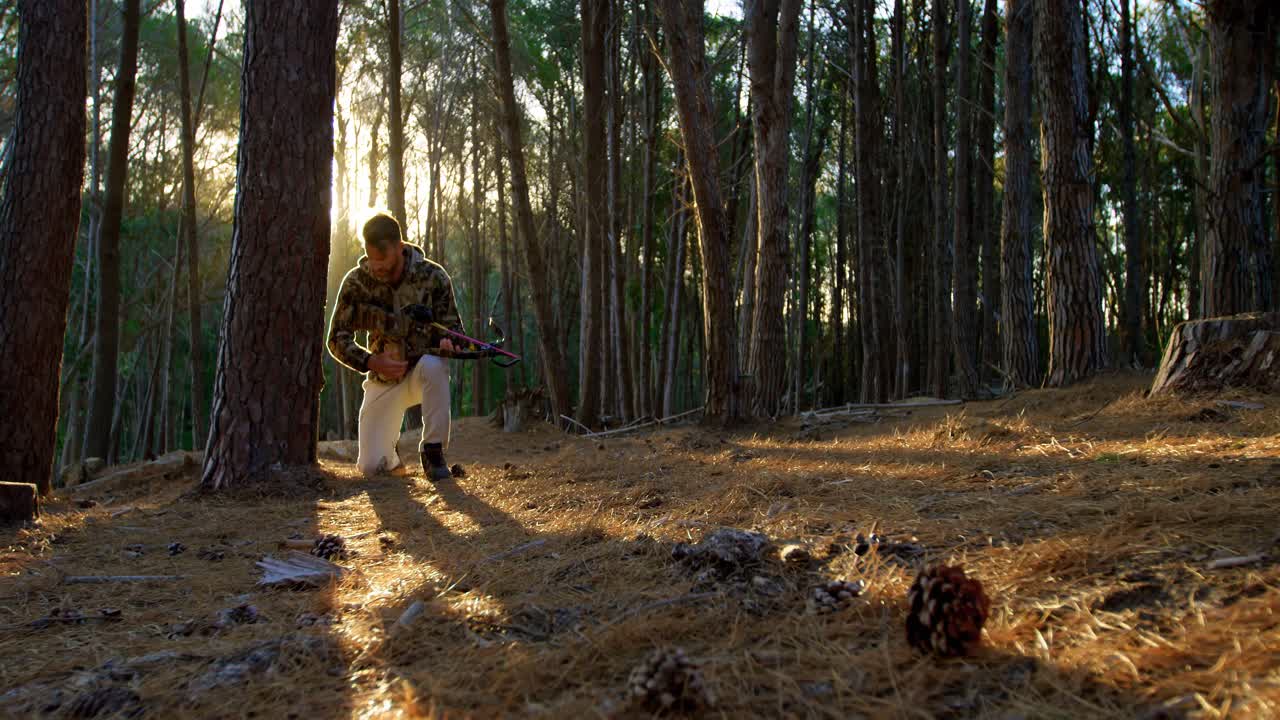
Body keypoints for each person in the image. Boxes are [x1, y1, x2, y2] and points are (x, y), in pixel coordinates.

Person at [327, 212, 464, 481]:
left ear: (399, 247)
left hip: (419, 373)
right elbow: (336, 339)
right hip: (382, 377)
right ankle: (391, 457)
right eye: (371, 258)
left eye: (383, 258)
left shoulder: (433, 277)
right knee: (370, 467)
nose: (376, 265)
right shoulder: (356, 282)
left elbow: (455, 330)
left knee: (435, 366)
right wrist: (371, 362)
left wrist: (450, 343)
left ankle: (433, 452)